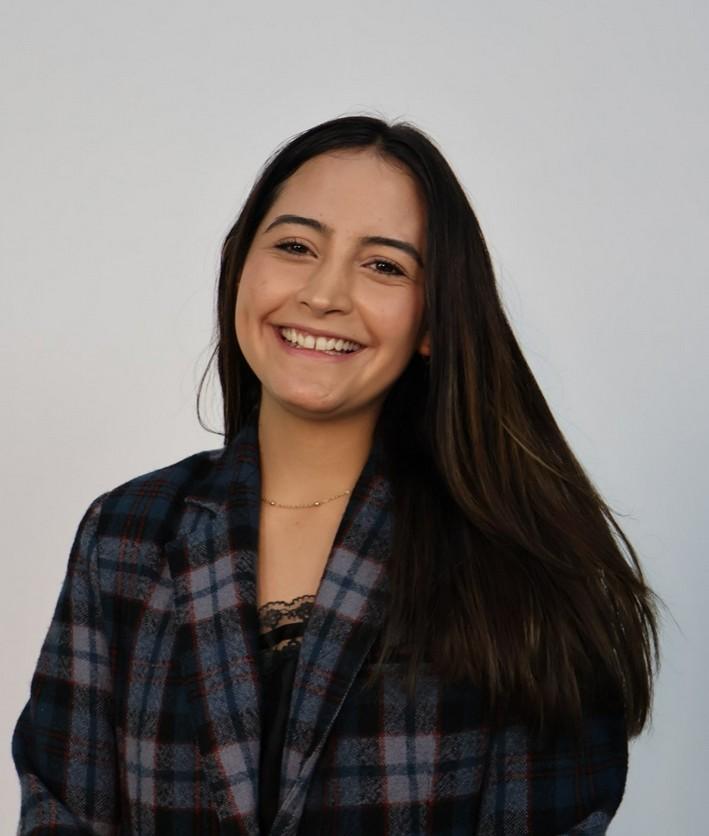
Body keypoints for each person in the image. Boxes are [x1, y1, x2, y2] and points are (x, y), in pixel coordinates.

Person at [12, 114, 660, 835]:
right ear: (240, 268)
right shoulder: (125, 534)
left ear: (432, 321)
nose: (323, 294)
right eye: (295, 246)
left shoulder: (520, 565)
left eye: (384, 265)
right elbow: (60, 809)